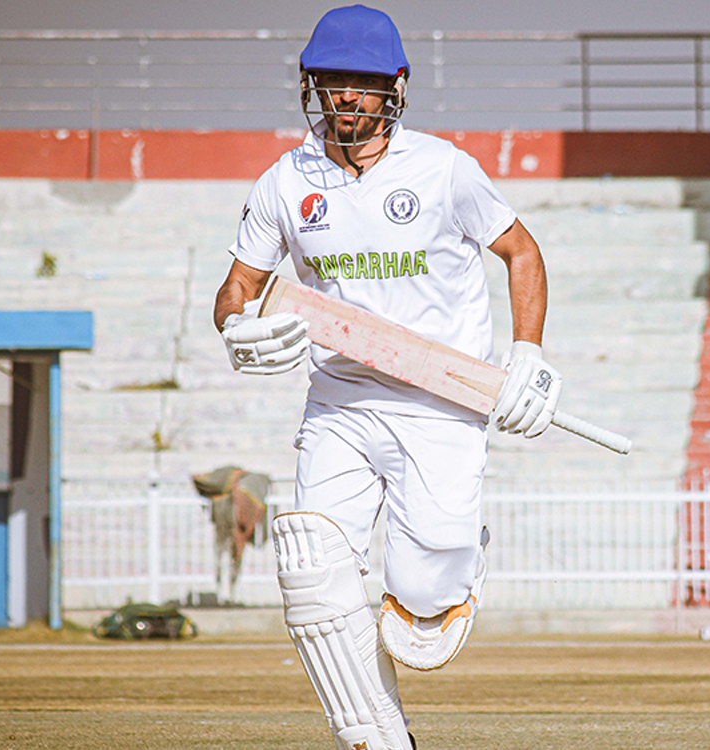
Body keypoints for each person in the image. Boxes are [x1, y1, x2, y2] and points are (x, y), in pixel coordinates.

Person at [211, 7, 561, 749]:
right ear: (313, 86)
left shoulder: (443, 170)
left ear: (395, 86)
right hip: (339, 399)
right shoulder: (286, 180)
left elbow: (522, 252)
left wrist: (525, 354)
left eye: (363, 84)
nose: (347, 97)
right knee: (312, 571)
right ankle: (376, 736)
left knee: (424, 619)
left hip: (441, 401)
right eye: (333, 82)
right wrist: (238, 328)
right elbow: (236, 288)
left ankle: (452, 560)